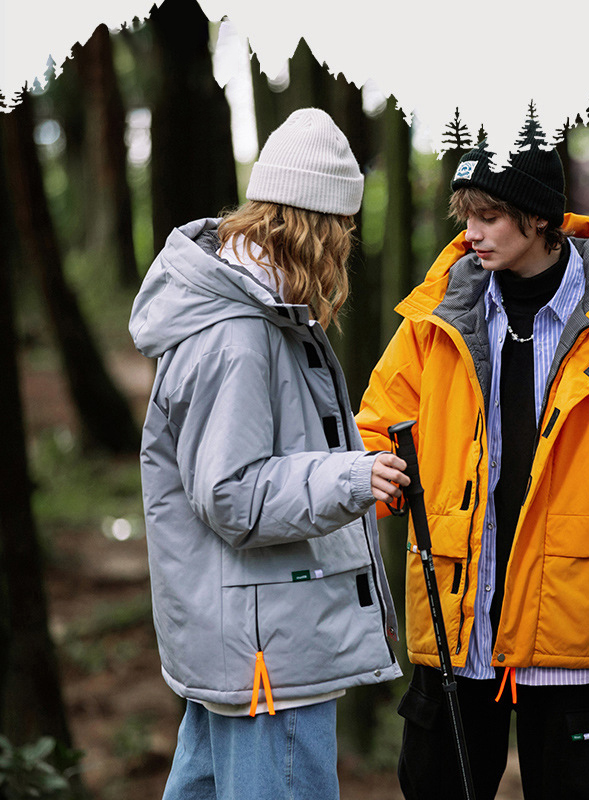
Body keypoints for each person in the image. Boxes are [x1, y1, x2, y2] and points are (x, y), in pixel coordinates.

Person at [356, 128, 589, 798]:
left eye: (489, 216)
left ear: (540, 218)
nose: (472, 233)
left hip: (577, 630)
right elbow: (375, 431)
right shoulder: (434, 318)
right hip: (457, 624)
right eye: (466, 215)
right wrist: (381, 473)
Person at [129, 108, 408, 800]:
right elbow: (232, 494)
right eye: (342, 232)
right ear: (318, 229)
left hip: (246, 636)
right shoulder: (239, 335)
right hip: (269, 652)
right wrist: (353, 476)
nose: (345, 251)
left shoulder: (254, 315)